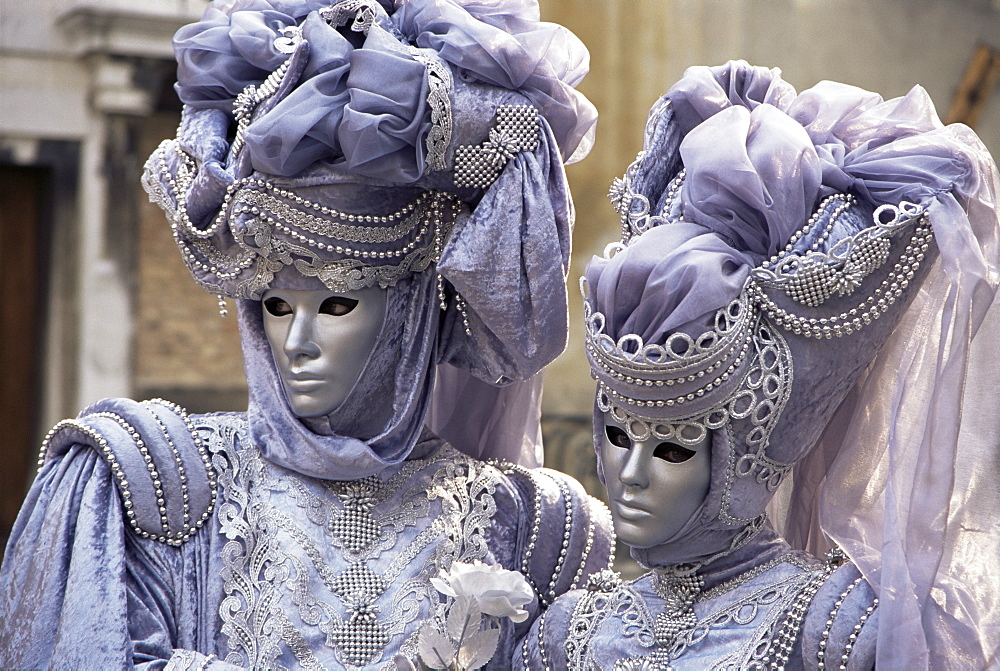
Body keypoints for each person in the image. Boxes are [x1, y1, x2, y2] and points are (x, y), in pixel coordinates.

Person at [0, 1, 615, 668]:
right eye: (275, 305)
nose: (296, 343)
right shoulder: (149, 490)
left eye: (337, 302)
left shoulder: (534, 529)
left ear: (412, 308)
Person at [518, 61, 1000, 669]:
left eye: (676, 447)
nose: (631, 475)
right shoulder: (566, 632)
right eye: (619, 436)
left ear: (745, 453)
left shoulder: (833, 627)